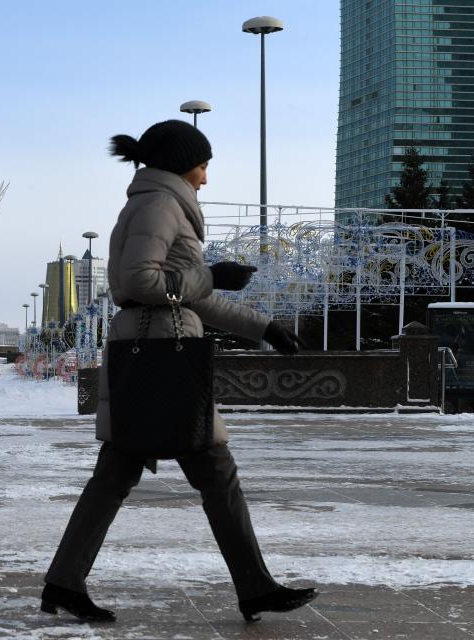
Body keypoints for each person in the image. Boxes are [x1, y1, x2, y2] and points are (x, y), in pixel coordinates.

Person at [41, 120, 317, 624]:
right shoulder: (160, 204)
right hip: (163, 356)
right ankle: (254, 587)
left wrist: (264, 327)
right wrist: (212, 274)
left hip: (158, 346)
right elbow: (141, 282)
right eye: (203, 165)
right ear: (181, 163)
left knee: (117, 476)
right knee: (215, 473)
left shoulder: (160, 203)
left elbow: (192, 297)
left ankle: (64, 582)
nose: (206, 178)